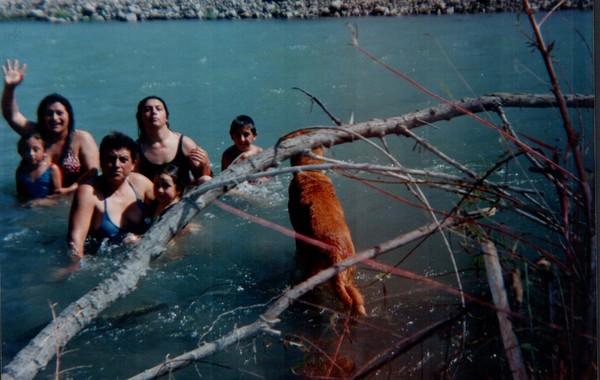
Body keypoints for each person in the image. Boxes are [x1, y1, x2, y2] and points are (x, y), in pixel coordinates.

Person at [2, 59, 99, 194]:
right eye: (49, 114)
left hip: (70, 199)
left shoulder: (82, 138)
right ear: (42, 117)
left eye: (59, 113)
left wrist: (70, 189)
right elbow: (11, 115)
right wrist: (10, 88)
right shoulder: (35, 134)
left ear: (69, 115)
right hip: (35, 201)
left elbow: (93, 173)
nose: (54, 118)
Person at [67, 131, 154, 258]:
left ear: (133, 164)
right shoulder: (88, 192)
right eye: (110, 159)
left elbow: (168, 206)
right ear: (101, 161)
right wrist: (75, 269)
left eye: (123, 160)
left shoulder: (140, 184)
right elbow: (75, 241)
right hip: (102, 260)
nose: (116, 165)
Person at [135, 95, 211, 186]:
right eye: (147, 110)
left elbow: (203, 179)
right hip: (153, 197)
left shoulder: (185, 144)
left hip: (184, 197)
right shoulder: (136, 150)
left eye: (158, 109)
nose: (154, 112)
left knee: (206, 179)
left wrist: (206, 165)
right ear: (140, 118)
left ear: (166, 116)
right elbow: (135, 183)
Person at [15, 131, 62, 201]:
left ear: (45, 151)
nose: (31, 154)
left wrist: (40, 202)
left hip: (48, 206)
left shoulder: (52, 169)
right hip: (28, 206)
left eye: (36, 149)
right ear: (20, 153)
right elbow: (20, 195)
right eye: (26, 150)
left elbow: (59, 196)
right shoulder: (21, 171)